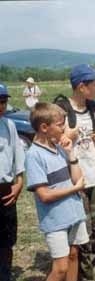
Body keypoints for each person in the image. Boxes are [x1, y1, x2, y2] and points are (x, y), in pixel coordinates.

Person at [25, 102, 88, 281]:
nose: (64, 129)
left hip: (73, 213)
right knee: (60, 268)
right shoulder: (34, 155)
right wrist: (74, 189)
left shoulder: (59, 148)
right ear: (44, 127)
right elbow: (44, 195)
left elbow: (78, 179)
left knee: (74, 254)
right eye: (60, 125)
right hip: (56, 220)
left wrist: (71, 153)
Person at [54, 64, 95, 281]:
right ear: (82, 86)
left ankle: (88, 268)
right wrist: (65, 137)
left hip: (93, 176)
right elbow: (49, 140)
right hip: (73, 180)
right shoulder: (61, 110)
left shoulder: (93, 108)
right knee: (79, 229)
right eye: (94, 84)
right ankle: (83, 274)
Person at [0, 83, 25, 281]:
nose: (1, 106)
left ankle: (5, 275)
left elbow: (18, 154)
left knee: (7, 239)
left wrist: (19, 182)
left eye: (3, 102)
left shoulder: (8, 125)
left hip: (5, 189)